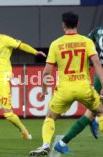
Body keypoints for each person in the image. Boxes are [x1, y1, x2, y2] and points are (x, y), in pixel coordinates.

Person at [29, 11, 103, 156]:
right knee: (100, 111)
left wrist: (44, 90)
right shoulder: (86, 42)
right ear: (78, 24)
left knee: (50, 117)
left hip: (64, 90)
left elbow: (46, 72)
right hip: (84, 88)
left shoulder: (56, 44)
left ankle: (45, 145)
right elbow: (97, 65)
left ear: (63, 25)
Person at [52, 26, 103, 154]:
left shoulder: (98, 30)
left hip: (99, 73)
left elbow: (85, 42)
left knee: (92, 113)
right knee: (95, 112)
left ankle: (63, 142)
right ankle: (95, 119)